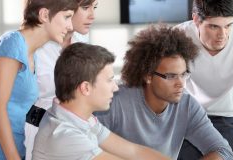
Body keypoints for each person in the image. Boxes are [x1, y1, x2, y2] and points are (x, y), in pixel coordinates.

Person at [95, 25, 233, 160]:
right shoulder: (115, 101)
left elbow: (223, 151)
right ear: (148, 76)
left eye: (183, 74)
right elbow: (85, 150)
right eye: (171, 76)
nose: (181, 83)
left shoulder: (187, 106)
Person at [0, 0, 77, 159]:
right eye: (67, 17)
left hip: (16, 151)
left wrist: (64, 119)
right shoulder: (13, 43)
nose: (71, 26)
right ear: (44, 15)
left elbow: (21, 109)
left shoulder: (31, 54)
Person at [32, 43, 170, 160]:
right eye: (110, 80)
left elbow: (134, 151)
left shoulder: (82, 119)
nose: (116, 88)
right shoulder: (65, 136)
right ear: (85, 88)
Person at [174, 0, 233, 159]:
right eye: (214, 26)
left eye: (228, 25)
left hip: (228, 118)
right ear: (196, 20)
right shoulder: (178, 38)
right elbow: (171, 92)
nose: (222, 35)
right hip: (189, 116)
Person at [24, 0, 98, 159]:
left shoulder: (82, 44)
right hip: (36, 135)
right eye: (85, 8)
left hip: (74, 134)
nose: (93, 15)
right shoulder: (35, 45)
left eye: (95, 7)